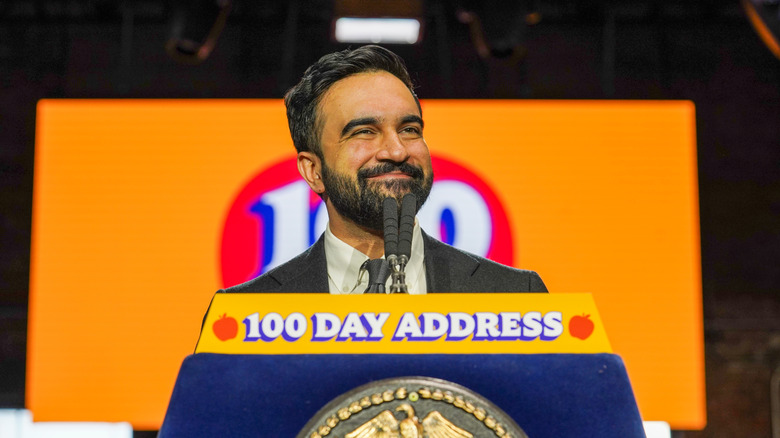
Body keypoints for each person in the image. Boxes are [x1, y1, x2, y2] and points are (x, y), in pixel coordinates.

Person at [222, 45, 547, 294]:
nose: (396, 150)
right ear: (313, 171)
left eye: (409, 129)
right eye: (364, 131)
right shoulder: (248, 313)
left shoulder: (515, 295)